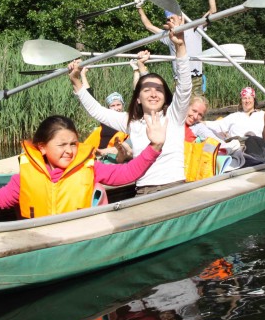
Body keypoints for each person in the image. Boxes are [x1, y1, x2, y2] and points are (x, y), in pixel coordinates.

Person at [0, 114, 166, 218]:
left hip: (80, 236)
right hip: (41, 238)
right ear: (43, 147)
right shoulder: (27, 175)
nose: (69, 150)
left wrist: (154, 147)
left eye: (73, 144)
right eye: (62, 145)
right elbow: (0, 198)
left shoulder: (89, 167)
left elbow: (126, 173)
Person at [69, 15, 191, 194]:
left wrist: (180, 46)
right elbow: (97, 111)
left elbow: (185, 85)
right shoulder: (131, 122)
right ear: (138, 98)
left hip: (174, 187)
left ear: (165, 96)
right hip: (144, 190)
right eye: (147, 89)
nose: (153, 93)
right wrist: (76, 81)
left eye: (158, 89)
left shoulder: (174, 115)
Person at [137, 0, 217, 96]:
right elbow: (149, 26)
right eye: (168, 20)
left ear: (181, 18)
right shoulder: (168, 35)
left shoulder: (194, 28)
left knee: (195, 109)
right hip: (178, 80)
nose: (170, 21)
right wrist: (140, 8)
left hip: (195, 79)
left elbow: (213, 12)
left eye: (172, 18)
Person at [79, 66, 130, 159]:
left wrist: (136, 71)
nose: (116, 108)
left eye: (118, 105)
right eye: (113, 106)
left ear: (122, 105)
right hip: (99, 155)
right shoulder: (107, 119)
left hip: (117, 155)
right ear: (109, 108)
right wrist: (83, 75)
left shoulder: (127, 118)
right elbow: (89, 97)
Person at [196, 86, 264, 141]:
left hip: (258, 145)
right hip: (239, 147)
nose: (247, 101)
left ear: (254, 99)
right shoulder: (234, 116)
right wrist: (199, 122)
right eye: (244, 98)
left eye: (249, 98)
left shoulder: (262, 115)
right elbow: (217, 125)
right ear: (241, 101)